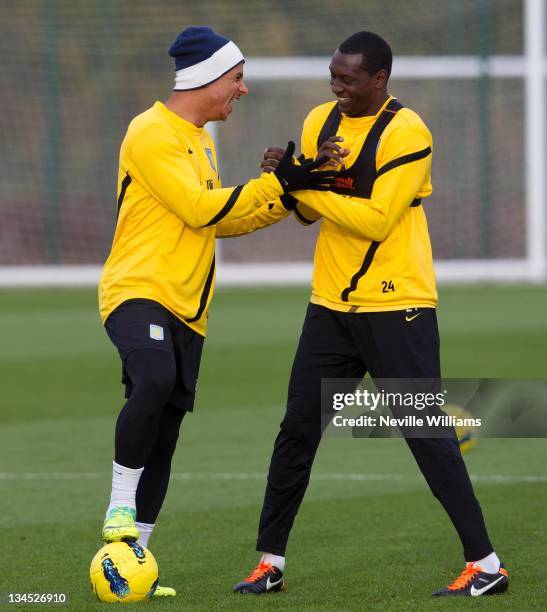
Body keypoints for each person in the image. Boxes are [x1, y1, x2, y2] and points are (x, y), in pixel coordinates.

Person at [230, 32, 509, 598]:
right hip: (330, 306)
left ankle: (486, 565)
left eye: (348, 80)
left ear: (378, 80)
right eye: (333, 76)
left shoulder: (408, 131)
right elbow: (306, 215)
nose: (336, 87)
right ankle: (270, 562)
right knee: (297, 432)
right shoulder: (319, 122)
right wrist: (290, 183)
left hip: (397, 305)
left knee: (425, 433)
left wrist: (304, 185)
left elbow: (377, 218)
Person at [97, 25, 333, 598]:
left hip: (189, 309)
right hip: (138, 289)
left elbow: (223, 219)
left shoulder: (200, 140)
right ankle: (118, 514)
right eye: (236, 78)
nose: (243, 90)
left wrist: (286, 193)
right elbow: (202, 209)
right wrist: (277, 180)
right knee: (152, 378)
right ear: (205, 78)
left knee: (167, 432)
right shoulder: (150, 131)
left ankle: (133, 563)